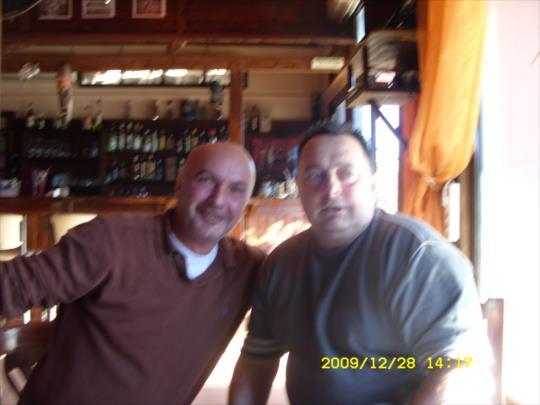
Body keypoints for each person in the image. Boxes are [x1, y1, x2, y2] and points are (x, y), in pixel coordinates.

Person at [229, 123, 493, 404]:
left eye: (347, 174)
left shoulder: (418, 258)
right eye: (314, 176)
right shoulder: (281, 265)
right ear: (299, 188)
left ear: (373, 184)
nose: (331, 189)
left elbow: (461, 370)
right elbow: (256, 361)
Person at [0, 142, 265, 404]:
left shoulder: (248, 268)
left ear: (246, 202)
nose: (218, 200)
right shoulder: (111, 240)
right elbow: (11, 284)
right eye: (206, 180)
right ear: (179, 185)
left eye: (236, 190)